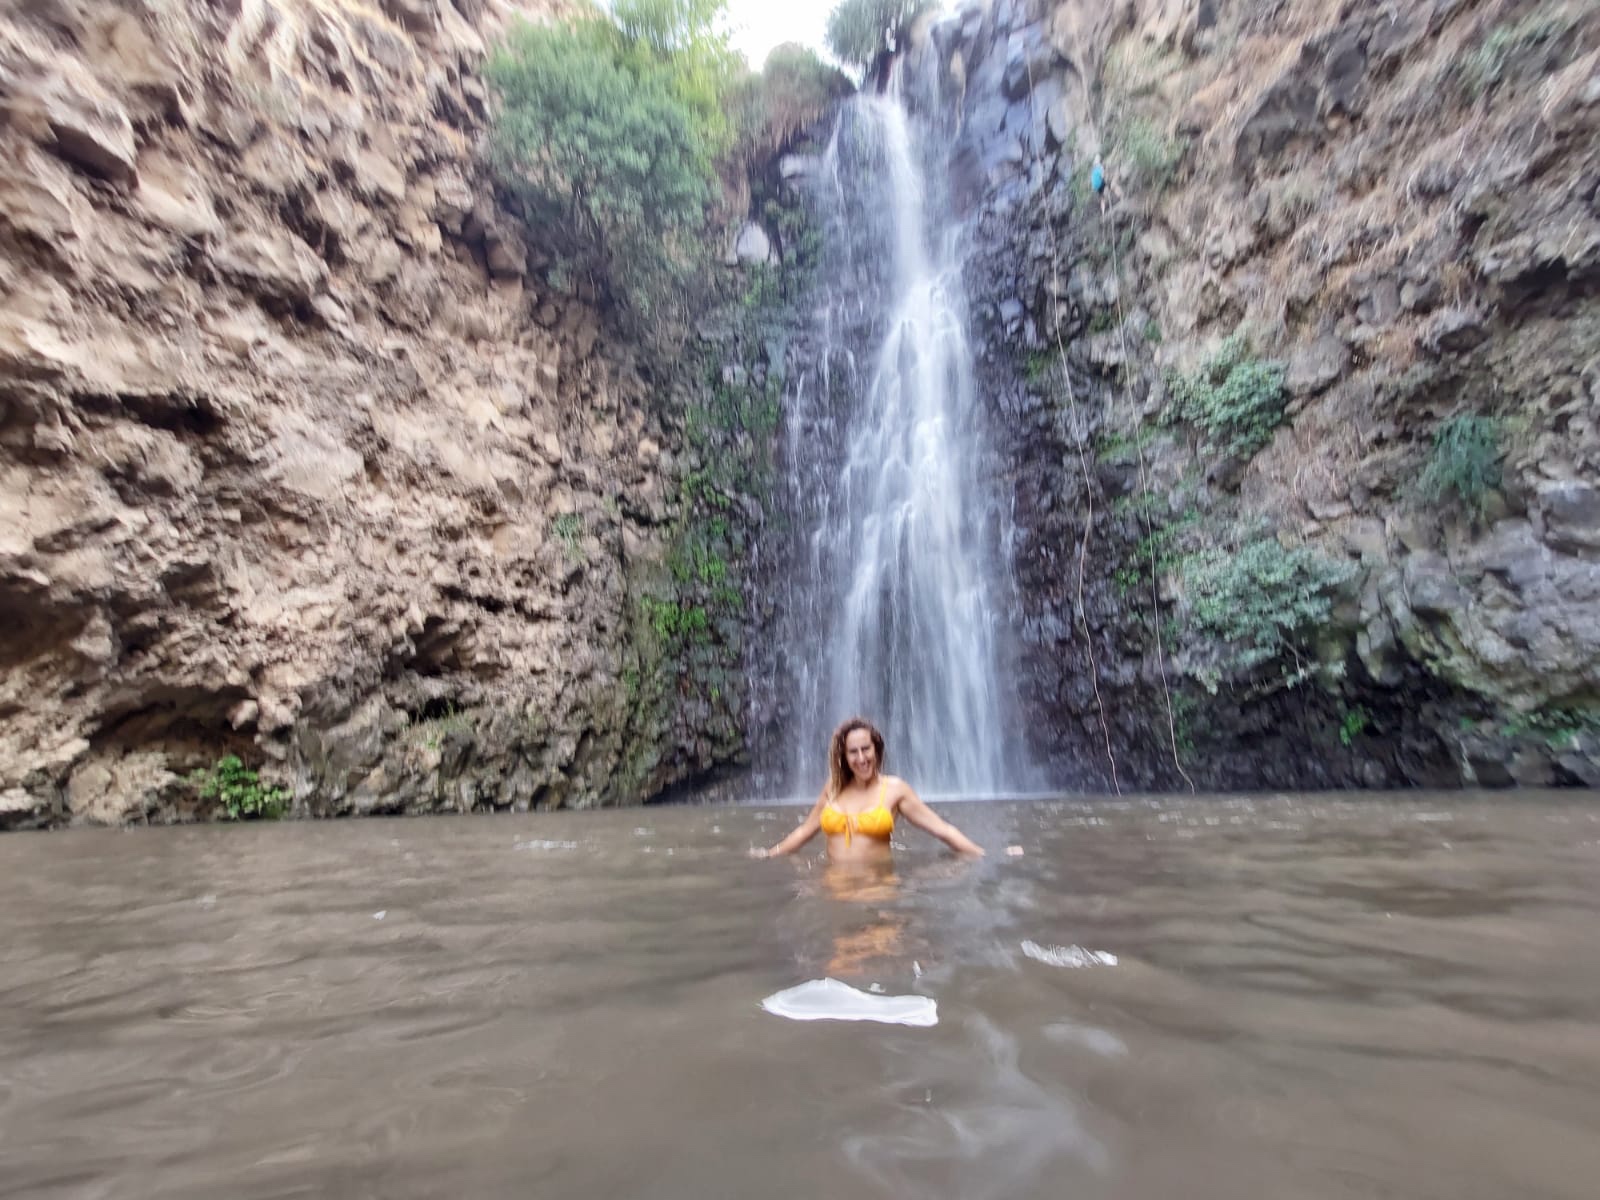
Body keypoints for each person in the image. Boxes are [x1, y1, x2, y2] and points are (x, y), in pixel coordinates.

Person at [752, 717, 985, 862]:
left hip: (877, 890)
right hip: (834, 892)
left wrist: (981, 855)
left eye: (866, 749)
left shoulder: (895, 790)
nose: (861, 758)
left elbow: (943, 830)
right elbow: (804, 832)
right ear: (844, 757)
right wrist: (769, 854)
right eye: (853, 752)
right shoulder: (833, 787)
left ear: (877, 750)